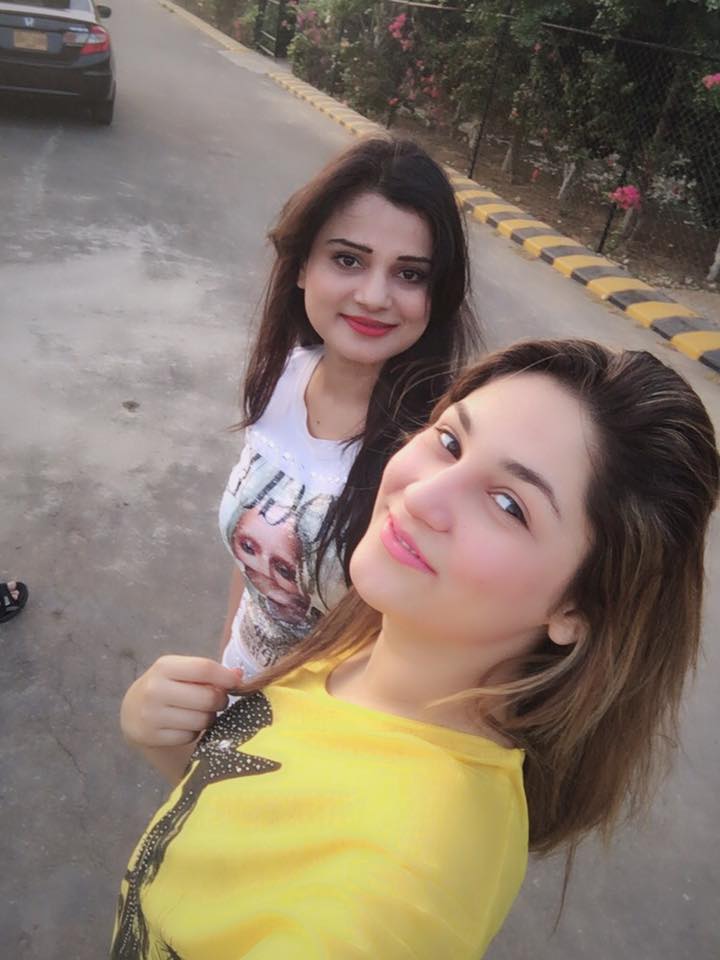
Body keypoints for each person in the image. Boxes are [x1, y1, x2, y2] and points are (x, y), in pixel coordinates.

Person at [114, 339, 718, 960]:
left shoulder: (393, 888)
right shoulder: (372, 642)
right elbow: (248, 834)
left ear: (576, 609)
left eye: (508, 505)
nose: (423, 496)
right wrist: (172, 746)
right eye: (450, 442)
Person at [216, 135, 479, 680]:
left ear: (437, 295)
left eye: (410, 274)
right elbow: (250, 580)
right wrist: (222, 675)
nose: (374, 297)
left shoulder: (440, 455)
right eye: (348, 260)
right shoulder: (282, 377)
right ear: (301, 267)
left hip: (320, 723)